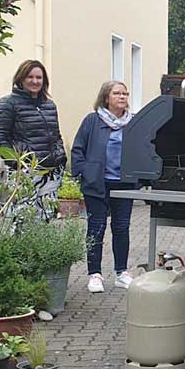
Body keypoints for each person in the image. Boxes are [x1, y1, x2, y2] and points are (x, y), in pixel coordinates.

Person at [71, 81, 137, 293]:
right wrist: (85, 172)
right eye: (117, 93)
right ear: (106, 97)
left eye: (125, 93)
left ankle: (121, 273)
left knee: (121, 227)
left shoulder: (133, 122)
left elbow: (144, 149)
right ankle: (95, 274)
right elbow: (78, 149)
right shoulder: (92, 120)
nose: (122, 97)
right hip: (97, 183)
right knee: (96, 227)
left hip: (124, 184)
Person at [0, 59, 67, 220]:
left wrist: (61, 156)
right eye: (30, 77)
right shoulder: (7, 104)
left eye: (39, 77)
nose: (35, 81)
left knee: (46, 219)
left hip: (50, 174)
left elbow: (56, 135)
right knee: (22, 220)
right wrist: (17, 164)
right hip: (25, 175)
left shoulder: (49, 105)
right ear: (21, 78)